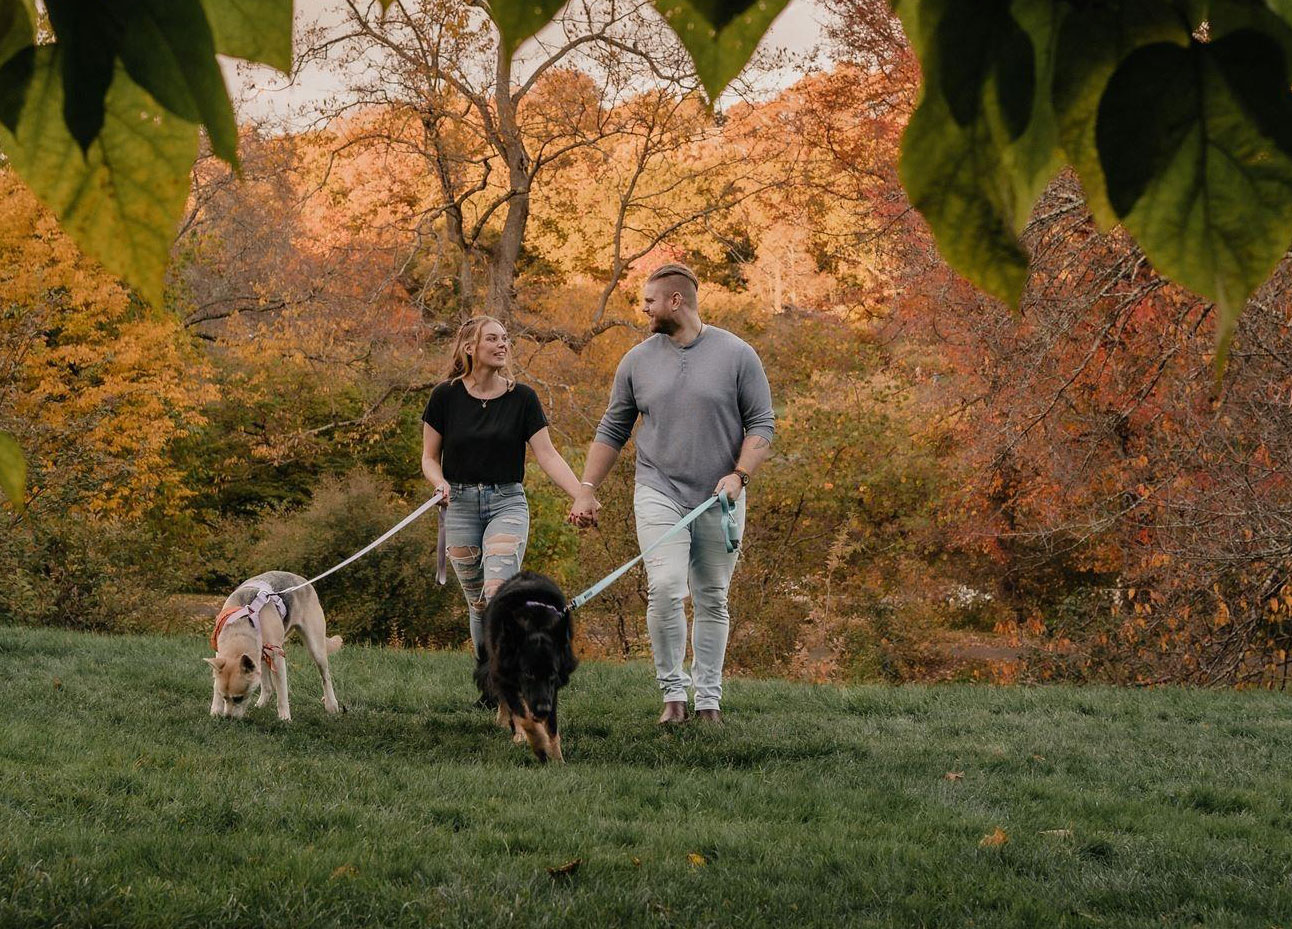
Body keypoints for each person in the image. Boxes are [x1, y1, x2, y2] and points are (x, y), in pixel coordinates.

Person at [569, 264, 774, 724]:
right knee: (663, 589)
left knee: (712, 595)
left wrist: (740, 475)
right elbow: (612, 429)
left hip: (720, 496)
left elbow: (762, 422)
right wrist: (586, 490)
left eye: (649, 301)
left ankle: (708, 701)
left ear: (675, 302)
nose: (643, 309)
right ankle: (673, 697)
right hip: (659, 490)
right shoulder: (637, 360)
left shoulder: (737, 354)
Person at [421, 316, 591, 704]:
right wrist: (439, 484)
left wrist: (580, 494)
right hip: (460, 503)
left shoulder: (523, 398)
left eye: (505, 339)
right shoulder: (444, 396)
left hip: (507, 501)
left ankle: (504, 684)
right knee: (479, 603)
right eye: (493, 339)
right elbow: (430, 458)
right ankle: (490, 679)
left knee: (498, 592)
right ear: (470, 347)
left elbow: (547, 455)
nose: (503, 345)